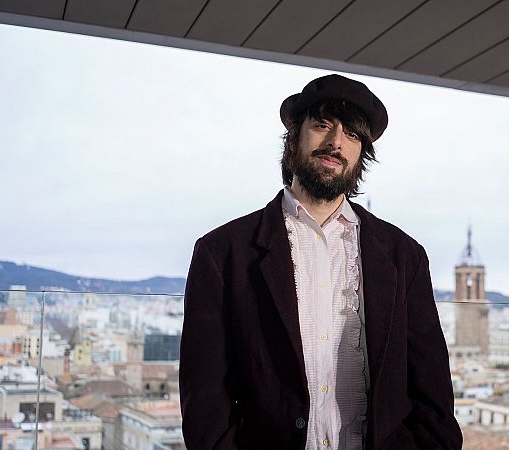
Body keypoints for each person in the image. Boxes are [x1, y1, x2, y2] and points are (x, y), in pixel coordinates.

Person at [180, 74, 462, 450]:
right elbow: (205, 403)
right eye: (322, 125)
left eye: (352, 135)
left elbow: (433, 395)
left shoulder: (403, 256)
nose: (336, 142)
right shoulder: (222, 253)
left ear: (361, 154)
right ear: (293, 138)